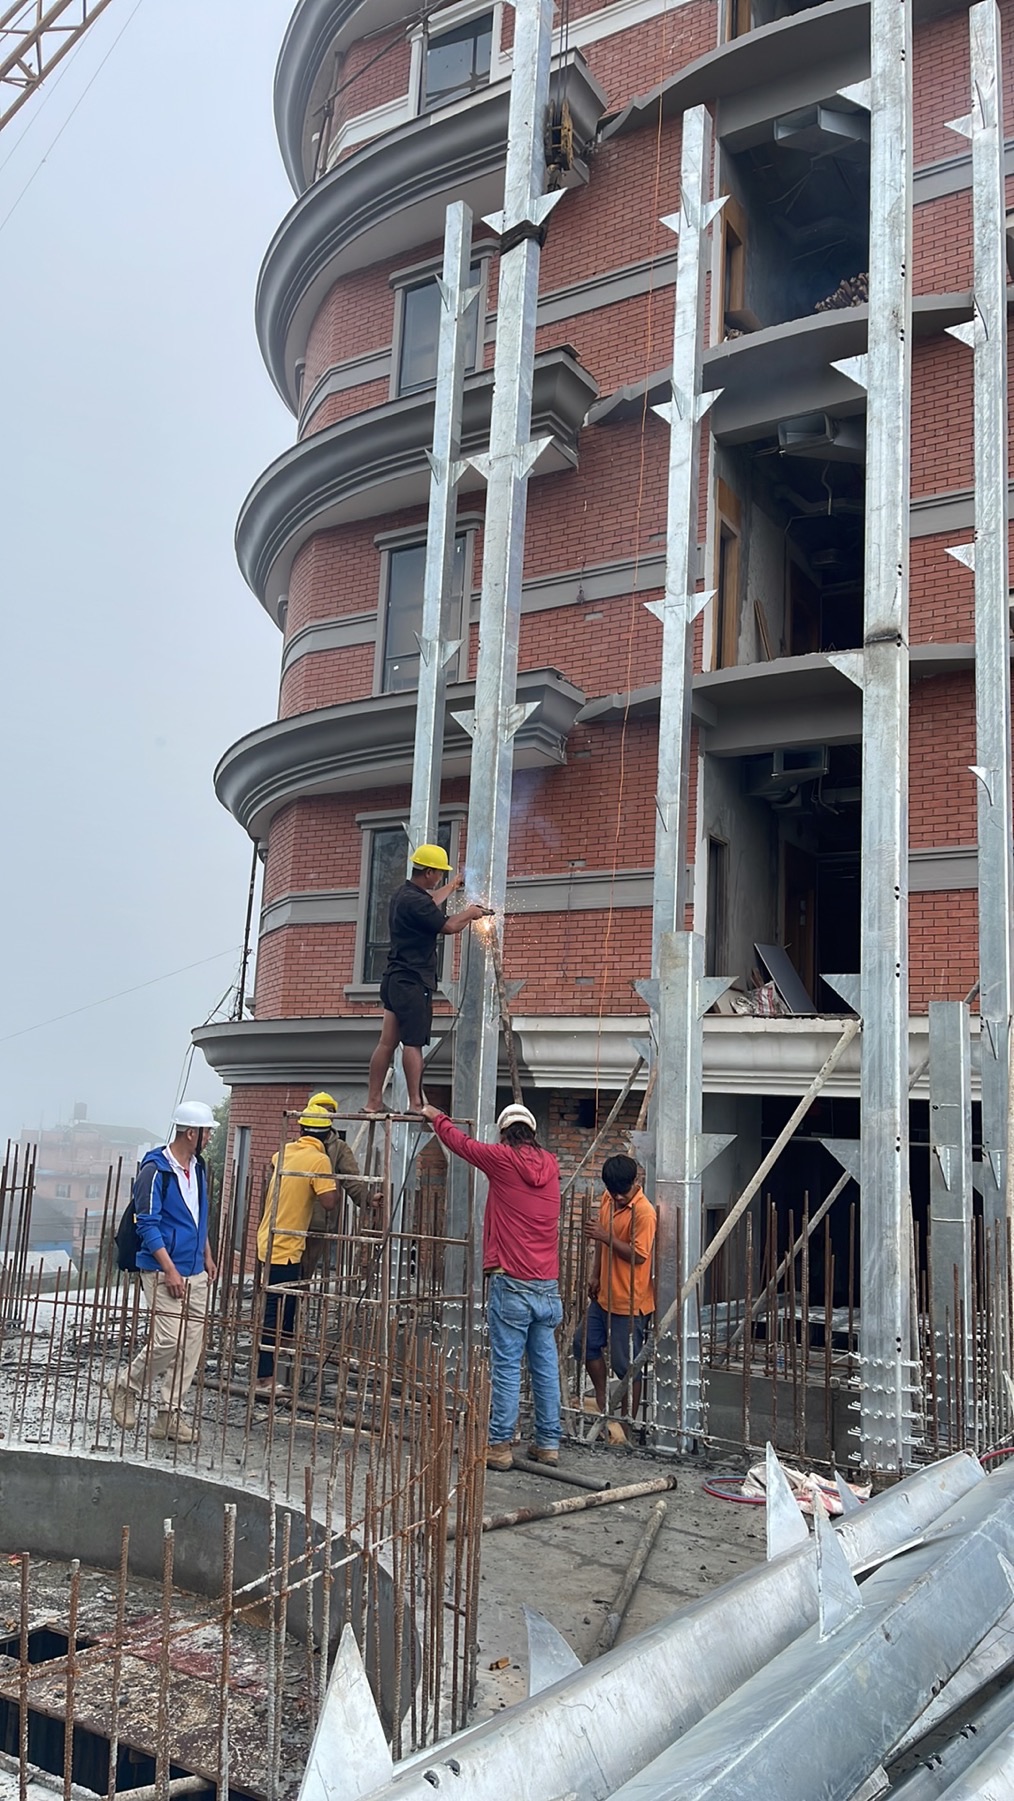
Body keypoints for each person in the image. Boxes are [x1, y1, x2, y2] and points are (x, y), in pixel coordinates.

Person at [422, 1099, 563, 1469]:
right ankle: (548, 1444)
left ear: (504, 1133)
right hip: (547, 1285)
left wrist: (438, 1118)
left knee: (506, 1366)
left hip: (512, 1282)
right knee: (545, 1366)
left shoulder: (502, 1159)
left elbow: (463, 1146)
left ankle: (500, 1446)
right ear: (533, 1133)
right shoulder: (551, 1164)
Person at [105, 1100, 218, 1444]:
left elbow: (198, 1218)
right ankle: (125, 1386)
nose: (210, 1137)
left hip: (196, 1270)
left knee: (191, 1346)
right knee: (168, 1340)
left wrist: (207, 1255)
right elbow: (148, 1225)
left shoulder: (197, 1168)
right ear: (190, 1133)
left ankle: (169, 1415)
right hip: (162, 1270)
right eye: (207, 1131)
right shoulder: (155, 1171)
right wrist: (169, 1269)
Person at [365, 844, 489, 1114]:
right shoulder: (417, 902)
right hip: (413, 982)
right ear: (429, 871)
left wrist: (453, 885)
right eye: (440, 874)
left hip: (394, 980)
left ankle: (373, 1102)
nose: (441, 878)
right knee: (413, 1043)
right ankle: (416, 1104)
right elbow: (449, 926)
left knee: (387, 1042)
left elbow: (430, 900)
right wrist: (471, 913)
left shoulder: (404, 894)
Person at [254, 1106, 338, 1396]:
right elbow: (328, 1202)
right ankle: (264, 1376)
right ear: (327, 1135)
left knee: (284, 1305)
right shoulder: (319, 1160)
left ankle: (283, 1352)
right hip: (286, 1245)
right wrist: (330, 1180)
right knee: (275, 1310)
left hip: (268, 1238)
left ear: (300, 1130)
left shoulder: (282, 1153)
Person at [573, 1153, 656, 1436]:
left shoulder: (644, 1212)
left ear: (636, 1182)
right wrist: (595, 1274)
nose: (618, 1197)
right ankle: (602, 1399)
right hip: (604, 1296)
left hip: (630, 1302)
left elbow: (640, 1256)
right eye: (613, 1191)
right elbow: (601, 1243)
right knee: (583, 1344)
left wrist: (606, 1236)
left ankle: (625, 1424)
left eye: (622, 1192)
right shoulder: (609, 1199)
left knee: (626, 1366)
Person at [300, 1090, 374, 1278]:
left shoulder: (338, 1148)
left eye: (327, 1112)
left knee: (305, 1269)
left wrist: (368, 1198)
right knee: (286, 1267)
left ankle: (297, 1305)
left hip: (318, 1219)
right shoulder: (296, 1145)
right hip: (293, 1217)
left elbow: (352, 1179)